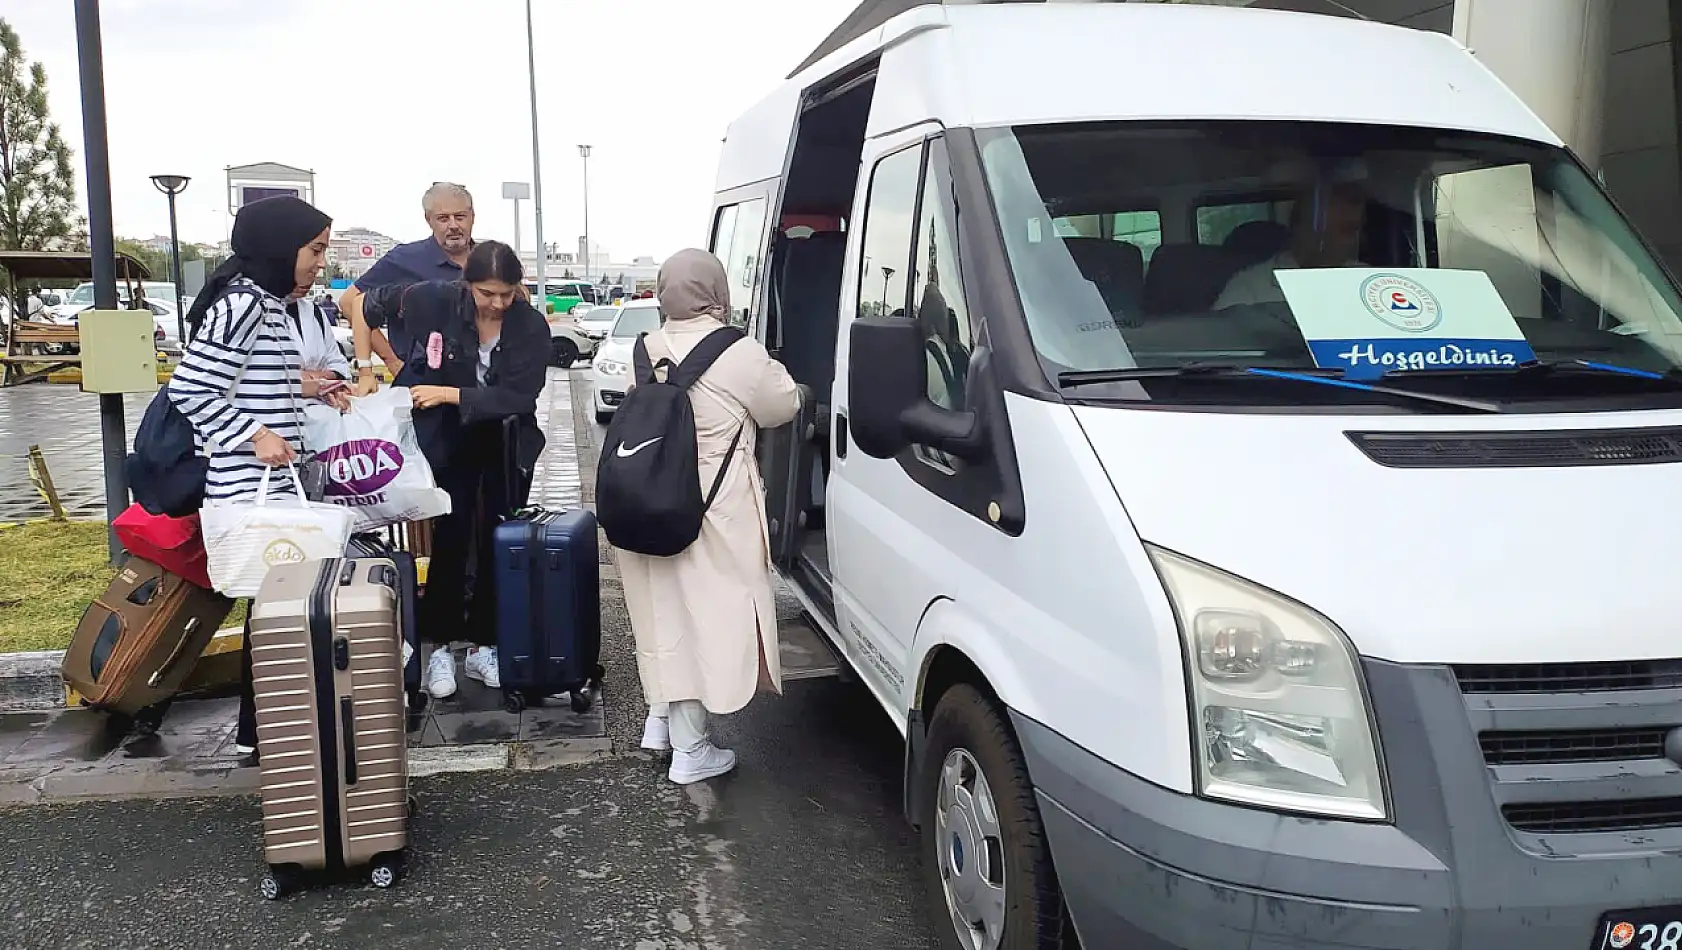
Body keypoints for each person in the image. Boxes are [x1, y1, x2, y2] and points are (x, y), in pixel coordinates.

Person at [611, 249, 801, 785]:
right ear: (716, 290)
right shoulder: (738, 350)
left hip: (648, 500)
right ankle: (691, 750)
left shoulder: (646, 347)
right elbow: (781, 405)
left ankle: (661, 722)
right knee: (714, 617)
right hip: (715, 512)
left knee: (661, 611)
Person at [166, 195, 333, 758]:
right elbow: (191, 389)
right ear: (279, 248)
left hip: (272, 486)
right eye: (314, 250)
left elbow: (254, 381)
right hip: (247, 487)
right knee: (274, 609)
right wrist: (256, 436)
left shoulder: (266, 303)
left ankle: (264, 731)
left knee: (276, 610)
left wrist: (311, 388)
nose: (318, 264)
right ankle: (265, 734)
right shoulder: (243, 306)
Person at [348, 240, 549, 698]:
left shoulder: (529, 324)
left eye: (506, 293)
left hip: (504, 440)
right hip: (444, 439)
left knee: (497, 540)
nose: (497, 303)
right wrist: (367, 367)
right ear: (467, 285)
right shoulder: (433, 297)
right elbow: (361, 303)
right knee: (451, 539)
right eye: (486, 293)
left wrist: (449, 393)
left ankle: (484, 645)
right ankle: (438, 646)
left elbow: (520, 397)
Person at [342, 182, 477, 392]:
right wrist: (391, 360)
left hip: (477, 391)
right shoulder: (404, 259)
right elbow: (350, 303)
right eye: (443, 218)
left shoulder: (489, 261)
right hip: (421, 389)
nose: (453, 225)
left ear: (472, 216)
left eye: (460, 217)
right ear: (428, 220)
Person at [1213, 180, 1367, 309]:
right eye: (1345, 229)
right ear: (1298, 227)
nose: (1353, 238)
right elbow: (1217, 341)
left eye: (1352, 229)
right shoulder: (1249, 289)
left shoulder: (1369, 282)